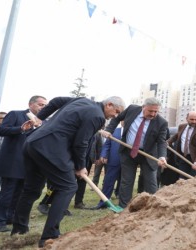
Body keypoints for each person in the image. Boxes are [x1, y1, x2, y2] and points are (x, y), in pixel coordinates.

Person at [10, 96, 125, 247]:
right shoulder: (97, 116)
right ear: (109, 104)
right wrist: (80, 166)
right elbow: (81, 142)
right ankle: (49, 236)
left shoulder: (81, 100)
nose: (115, 116)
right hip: (51, 149)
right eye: (116, 112)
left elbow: (56, 101)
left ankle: (18, 230)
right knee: (68, 187)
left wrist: (39, 117)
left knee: (31, 190)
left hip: (33, 143)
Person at [101, 97, 167, 209]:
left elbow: (161, 142)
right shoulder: (132, 109)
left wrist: (162, 156)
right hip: (128, 152)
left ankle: (153, 209)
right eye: (150, 111)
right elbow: (117, 119)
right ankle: (123, 208)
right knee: (126, 181)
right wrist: (108, 130)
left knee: (151, 183)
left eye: (156, 111)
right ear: (143, 107)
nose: (153, 114)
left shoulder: (161, 122)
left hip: (148, 155)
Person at [0, 96, 47, 233]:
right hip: (12, 162)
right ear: (31, 104)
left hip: (30, 165)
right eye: (40, 104)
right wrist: (20, 128)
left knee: (19, 195)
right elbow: (0, 130)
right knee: (7, 193)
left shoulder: (44, 122)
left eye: (45, 105)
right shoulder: (16, 114)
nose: (43, 107)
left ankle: (10, 218)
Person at [91, 122, 124, 210]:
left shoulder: (133, 132)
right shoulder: (114, 131)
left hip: (127, 163)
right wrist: (104, 155)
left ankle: (123, 204)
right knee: (108, 181)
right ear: (121, 121)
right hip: (113, 160)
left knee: (124, 183)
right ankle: (103, 203)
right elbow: (107, 145)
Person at [167, 111, 196, 178]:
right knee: (183, 179)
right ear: (187, 119)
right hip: (184, 157)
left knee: (194, 181)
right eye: (191, 119)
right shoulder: (182, 127)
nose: (194, 121)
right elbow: (177, 136)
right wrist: (168, 142)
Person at [74, 131, 104, 209]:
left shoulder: (97, 133)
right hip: (74, 160)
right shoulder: (80, 130)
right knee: (70, 182)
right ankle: (63, 204)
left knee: (83, 181)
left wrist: (98, 158)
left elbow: (99, 145)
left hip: (88, 160)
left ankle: (78, 202)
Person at [0, 112, 7, 201]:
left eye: (4, 118)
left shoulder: (8, 131)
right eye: (0, 118)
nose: (3, 120)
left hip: (1, 162)